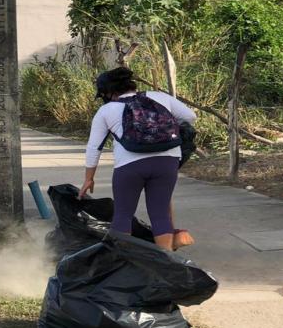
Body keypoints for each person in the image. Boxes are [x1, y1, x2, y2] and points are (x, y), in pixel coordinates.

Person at [80, 67, 197, 251]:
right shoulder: (159, 97)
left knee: (123, 215)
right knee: (160, 214)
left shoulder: (106, 110)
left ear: (108, 92)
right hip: (167, 161)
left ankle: (125, 260)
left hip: (130, 165)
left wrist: (89, 178)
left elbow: (94, 147)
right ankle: (166, 260)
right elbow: (191, 116)